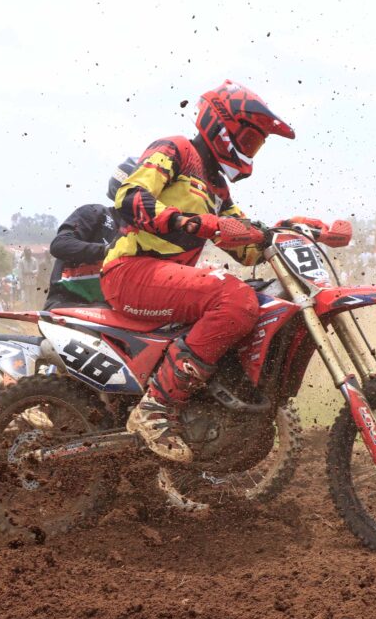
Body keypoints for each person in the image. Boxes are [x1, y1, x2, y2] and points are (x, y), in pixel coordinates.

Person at [101, 80, 298, 463]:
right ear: (222, 125)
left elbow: (243, 245)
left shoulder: (218, 188)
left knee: (255, 296)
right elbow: (129, 197)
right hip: (131, 270)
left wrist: (290, 231)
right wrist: (188, 222)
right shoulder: (176, 149)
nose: (251, 148)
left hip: (166, 281)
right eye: (249, 138)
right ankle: (154, 409)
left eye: (257, 143)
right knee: (235, 298)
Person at [44, 157, 136, 309]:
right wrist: (106, 250)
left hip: (109, 312)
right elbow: (59, 245)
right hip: (66, 305)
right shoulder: (95, 213)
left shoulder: (141, 234)